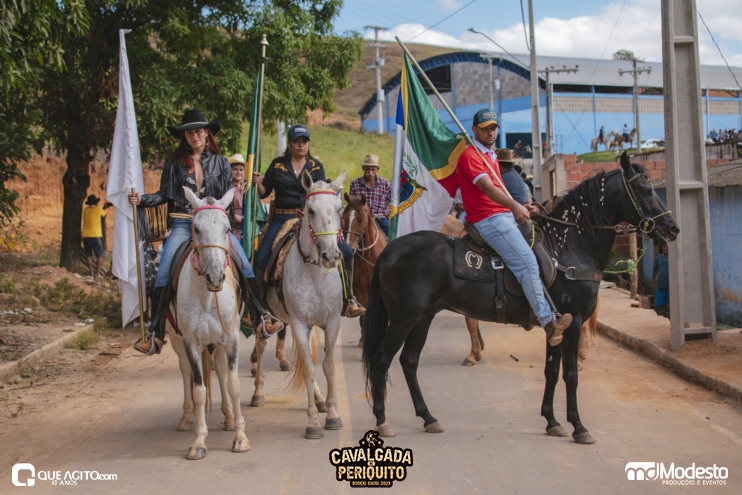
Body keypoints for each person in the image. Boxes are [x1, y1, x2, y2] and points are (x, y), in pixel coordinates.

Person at [127, 109, 283, 354]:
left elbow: (226, 198)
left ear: (207, 133)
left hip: (213, 224)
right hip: (183, 222)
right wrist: (142, 199)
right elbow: (164, 194)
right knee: (163, 273)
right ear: (184, 136)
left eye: (198, 131)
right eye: (189, 132)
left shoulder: (220, 162)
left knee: (244, 266)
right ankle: (155, 333)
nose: (194, 136)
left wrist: (224, 224)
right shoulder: (174, 161)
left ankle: (259, 317)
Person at [456, 108, 572, 343]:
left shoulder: (491, 156)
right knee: (527, 263)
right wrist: (514, 206)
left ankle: (526, 306)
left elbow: (500, 190)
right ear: (474, 129)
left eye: (494, 128)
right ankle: (547, 322)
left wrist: (521, 206)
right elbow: (488, 188)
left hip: (503, 215)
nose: (491, 132)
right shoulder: (470, 156)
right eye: (485, 128)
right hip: (489, 219)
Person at [252, 124, 365, 318]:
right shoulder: (277, 165)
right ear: (289, 144)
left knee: (346, 252)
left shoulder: (316, 166)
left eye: (304, 141)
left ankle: (349, 299)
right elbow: (265, 192)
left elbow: (322, 194)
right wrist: (258, 184)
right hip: (281, 217)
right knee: (261, 257)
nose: (301, 145)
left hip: (310, 219)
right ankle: (257, 310)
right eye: (296, 141)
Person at [349, 154, 392, 236]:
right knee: (350, 235)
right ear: (363, 168)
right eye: (367, 169)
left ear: (377, 169)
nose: (370, 172)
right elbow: (351, 204)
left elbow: (392, 203)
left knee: (391, 235)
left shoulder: (386, 184)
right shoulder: (355, 184)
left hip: (380, 218)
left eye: (373, 169)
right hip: (361, 218)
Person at [81, 194, 109, 278]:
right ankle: (97, 274)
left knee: (88, 254)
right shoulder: (99, 209)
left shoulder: (86, 210)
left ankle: (91, 272)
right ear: (96, 203)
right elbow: (104, 215)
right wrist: (104, 208)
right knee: (100, 254)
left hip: (85, 235)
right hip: (95, 235)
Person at [228, 154, 246, 241]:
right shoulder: (227, 188)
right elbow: (226, 212)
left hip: (246, 231)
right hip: (233, 231)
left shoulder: (247, 188)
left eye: (241, 170)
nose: (239, 172)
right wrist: (244, 220)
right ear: (230, 170)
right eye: (235, 169)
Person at [653, 244, 670, 318]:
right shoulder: (658, 257)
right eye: (664, 247)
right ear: (662, 248)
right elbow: (655, 268)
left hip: (670, 284)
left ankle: (673, 317)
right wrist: (654, 278)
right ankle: (664, 316)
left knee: (672, 301)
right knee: (662, 302)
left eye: (667, 247)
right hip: (661, 283)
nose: (666, 248)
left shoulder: (672, 256)